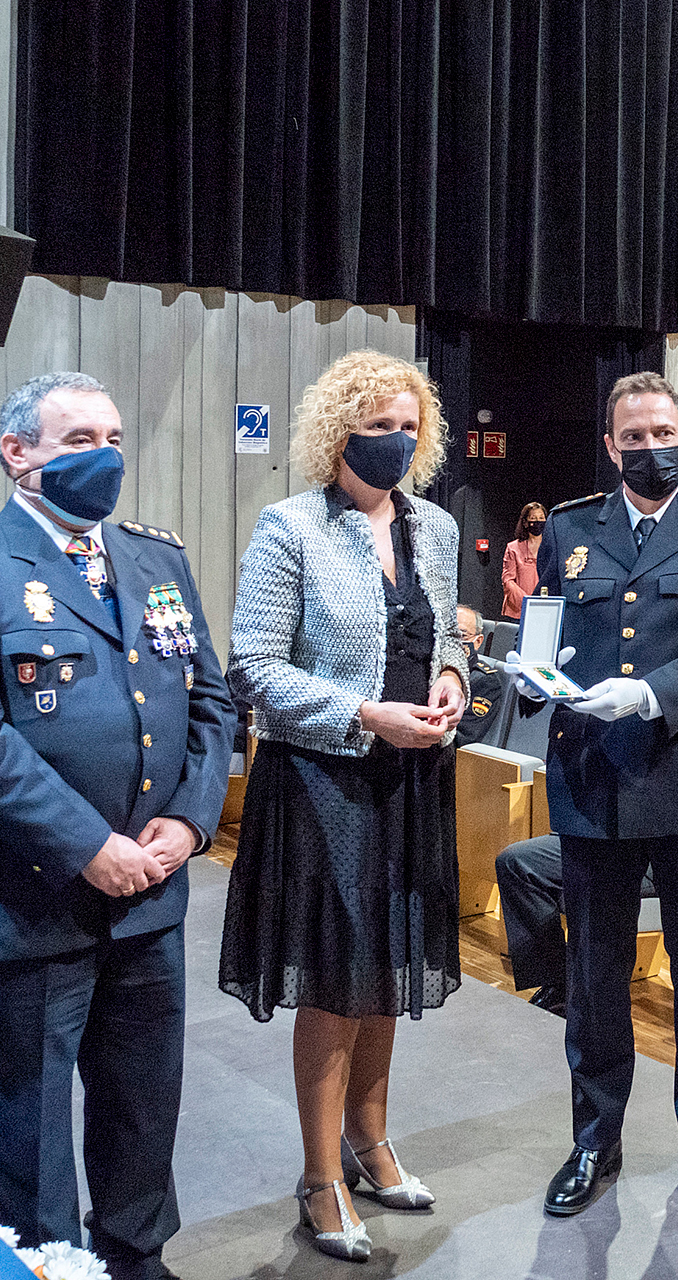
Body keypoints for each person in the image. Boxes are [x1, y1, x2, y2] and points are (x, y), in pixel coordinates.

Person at [0, 372, 235, 1280]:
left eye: (115, 437)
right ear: (19, 453)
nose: (106, 456)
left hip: (149, 899)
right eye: (80, 438)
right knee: (27, 1134)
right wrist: (88, 846)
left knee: (141, 1109)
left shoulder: (155, 559)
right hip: (25, 906)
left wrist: (189, 820)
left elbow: (207, 697)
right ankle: (42, 1266)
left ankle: (137, 1260)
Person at [218, 350, 469, 1262]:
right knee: (334, 982)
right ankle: (321, 1176)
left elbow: (444, 631)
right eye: (378, 426)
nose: (395, 441)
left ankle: (371, 1140)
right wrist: (365, 712)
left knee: (388, 971)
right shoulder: (289, 528)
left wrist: (449, 677)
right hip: (325, 783)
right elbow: (254, 667)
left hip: (412, 779)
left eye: (409, 426)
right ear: (338, 432)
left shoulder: (434, 529)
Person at [526, 370, 678, 1218]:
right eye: (632, 437)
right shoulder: (571, 528)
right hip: (594, 781)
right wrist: (532, 677)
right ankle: (595, 1139)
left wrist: (652, 694)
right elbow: (548, 627)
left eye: (661, 432)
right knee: (596, 977)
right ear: (610, 445)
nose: (649, 447)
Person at [496, 837, 657, 1020]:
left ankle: (584, 1003)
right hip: (599, 837)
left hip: (652, 851)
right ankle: (560, 985)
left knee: (596, 884)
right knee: (516, 862)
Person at [455, 605, 507, 745]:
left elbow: (464, 738)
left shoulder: (484, 682)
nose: (452, 642)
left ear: (477, 641)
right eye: (447, 634)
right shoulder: (424, 668)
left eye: (461, 635)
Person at [502, 501, 546, 620]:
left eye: (541, 518)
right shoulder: (513, 548)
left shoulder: (552, 547)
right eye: (533, 518)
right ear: (526, 522)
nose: (538, 521)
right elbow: (508, 580)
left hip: (545, 608)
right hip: (519, 610)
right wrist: (527, 600)